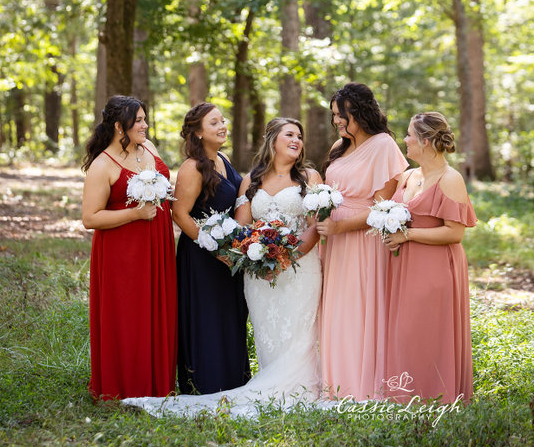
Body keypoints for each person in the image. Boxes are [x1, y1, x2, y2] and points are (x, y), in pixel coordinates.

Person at [123, 117, 323, 417]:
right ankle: (271, 383)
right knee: (269, 333)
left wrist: (289, 257)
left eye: (300, 136)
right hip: (261, 272)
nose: (297, 140)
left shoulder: (310, 177)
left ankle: (303, 389)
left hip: (300, 269)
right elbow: (241, 227)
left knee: (301, 334)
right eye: (289, 134)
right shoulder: (251, 180)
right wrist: (252, 255)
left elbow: (315, 226)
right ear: (272, 140)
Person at [316, 82, 408, 400]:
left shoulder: (383, 146)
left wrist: (342, 228)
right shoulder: (339, 148)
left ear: (359, 111)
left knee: (360, 310)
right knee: (336, 309)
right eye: (333, 115)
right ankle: (336, 381)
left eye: (341, 114)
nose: (337, 121)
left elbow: (381, 207)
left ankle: (363, 384)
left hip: (362, 242)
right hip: (334, 243)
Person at [82, 95, 177, 400]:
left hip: (157, 244)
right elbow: (90, 217)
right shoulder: (102, 165)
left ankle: (157, 382)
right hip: (122, 252)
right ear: (119, 126)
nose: (145, 125)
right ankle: (124, 386)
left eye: (145, 119)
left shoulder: (149, 148)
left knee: (156, 310)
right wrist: (135, 213)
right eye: (138, 121)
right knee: (128, 315)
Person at [381, 112, 477, 403]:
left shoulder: (450, 179)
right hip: (404, 264)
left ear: (425, 141)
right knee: (405, 331)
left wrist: (407, 236)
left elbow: (454, 233)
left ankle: (435, 396)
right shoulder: (409, 176)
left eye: (409, 135)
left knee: (428, 330)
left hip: (435, 267)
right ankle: (405, 395)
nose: (406, 140)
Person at [172, 102, 250, 394]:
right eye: (214, 122)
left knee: (230, 314)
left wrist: (234, 249)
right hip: (202, 256)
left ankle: (234, 380)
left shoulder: (223, 159)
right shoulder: (192, 167)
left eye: (223, 120)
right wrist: (215, 249)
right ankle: (204, 382)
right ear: (198, 132)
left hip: (229, 254)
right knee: (207, 316)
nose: (222, 126)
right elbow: (179, 214)